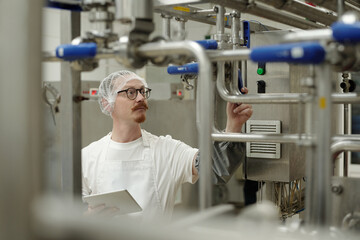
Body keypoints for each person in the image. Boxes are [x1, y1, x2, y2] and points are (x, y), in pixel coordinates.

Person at [82, 70, 253, 220]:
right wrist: (88, 218)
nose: (141, 98)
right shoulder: (88, 156)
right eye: (131, 92)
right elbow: (71, 213)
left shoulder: (166, 150)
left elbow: (215, 169)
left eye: (143, 91)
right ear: (107, 103)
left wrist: (233, 127)